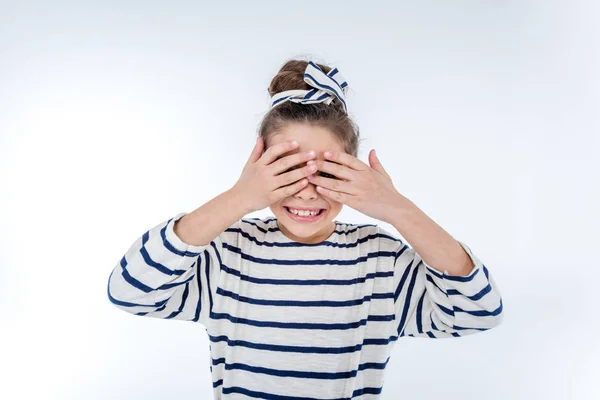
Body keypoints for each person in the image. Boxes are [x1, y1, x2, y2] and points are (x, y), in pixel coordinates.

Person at [107, 59, 504, 399]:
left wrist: (398, 209)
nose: (308, 192)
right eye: (288, 170)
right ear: (259, 164)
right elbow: (129, 291)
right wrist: (239, 198)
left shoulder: (380, 261)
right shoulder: (229, 254)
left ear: (356, 171)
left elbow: (478, 313)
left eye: (328, 172)